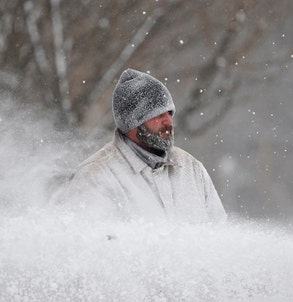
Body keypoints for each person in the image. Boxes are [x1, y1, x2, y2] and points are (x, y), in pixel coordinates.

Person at [54, 69, 227, 223]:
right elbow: (88, 249)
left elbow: (219, 236)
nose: (168, 121)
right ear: (132, 123)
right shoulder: (95, 177)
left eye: (169, 112)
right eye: (158, 114)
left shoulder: (192, 169)